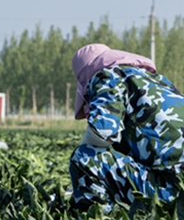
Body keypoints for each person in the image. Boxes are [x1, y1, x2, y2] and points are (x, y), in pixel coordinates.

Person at [69, 44, 184, 210]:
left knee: (83, 158)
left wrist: (80, 172)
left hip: (174, 190)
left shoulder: (106, 75)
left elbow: (103, 133)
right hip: (177, 179)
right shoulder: (156, 80)